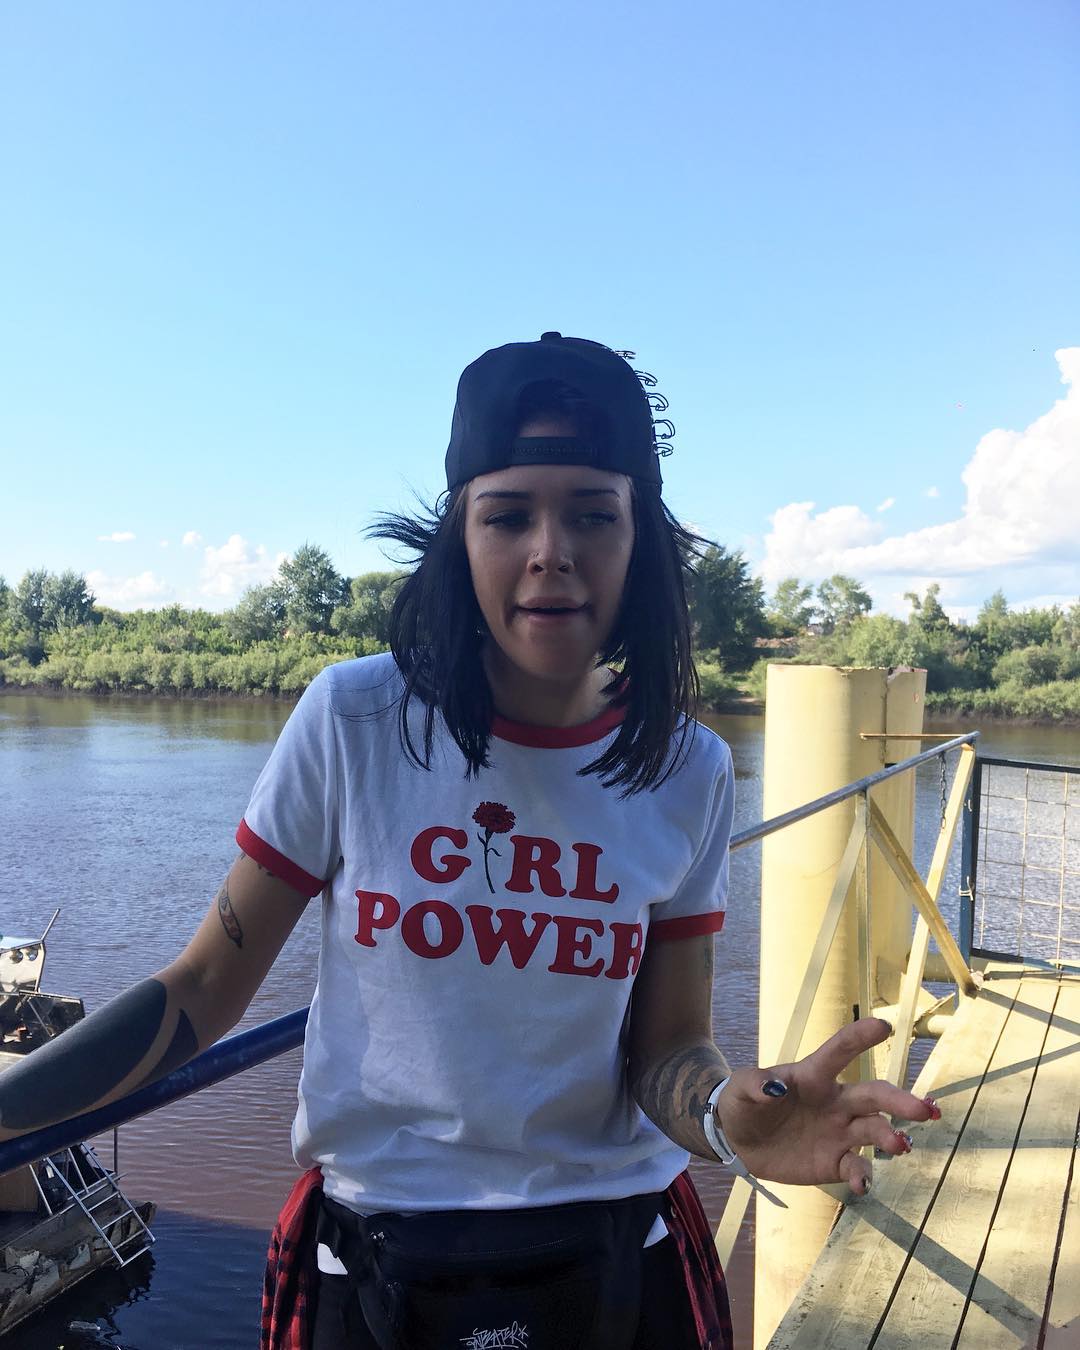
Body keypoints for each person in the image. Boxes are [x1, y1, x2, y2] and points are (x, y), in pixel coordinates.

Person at [0, 333, 940, 1350]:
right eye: (509, 515)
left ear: (642, 544)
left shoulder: (688, 767)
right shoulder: (354, 722)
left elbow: (669, 1047)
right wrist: (9, 1112)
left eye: (594, 514)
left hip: (619, 1253)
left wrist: (725, 1113)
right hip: (378, 1257)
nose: (551, 550)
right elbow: (201, 988)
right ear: (461, 537)